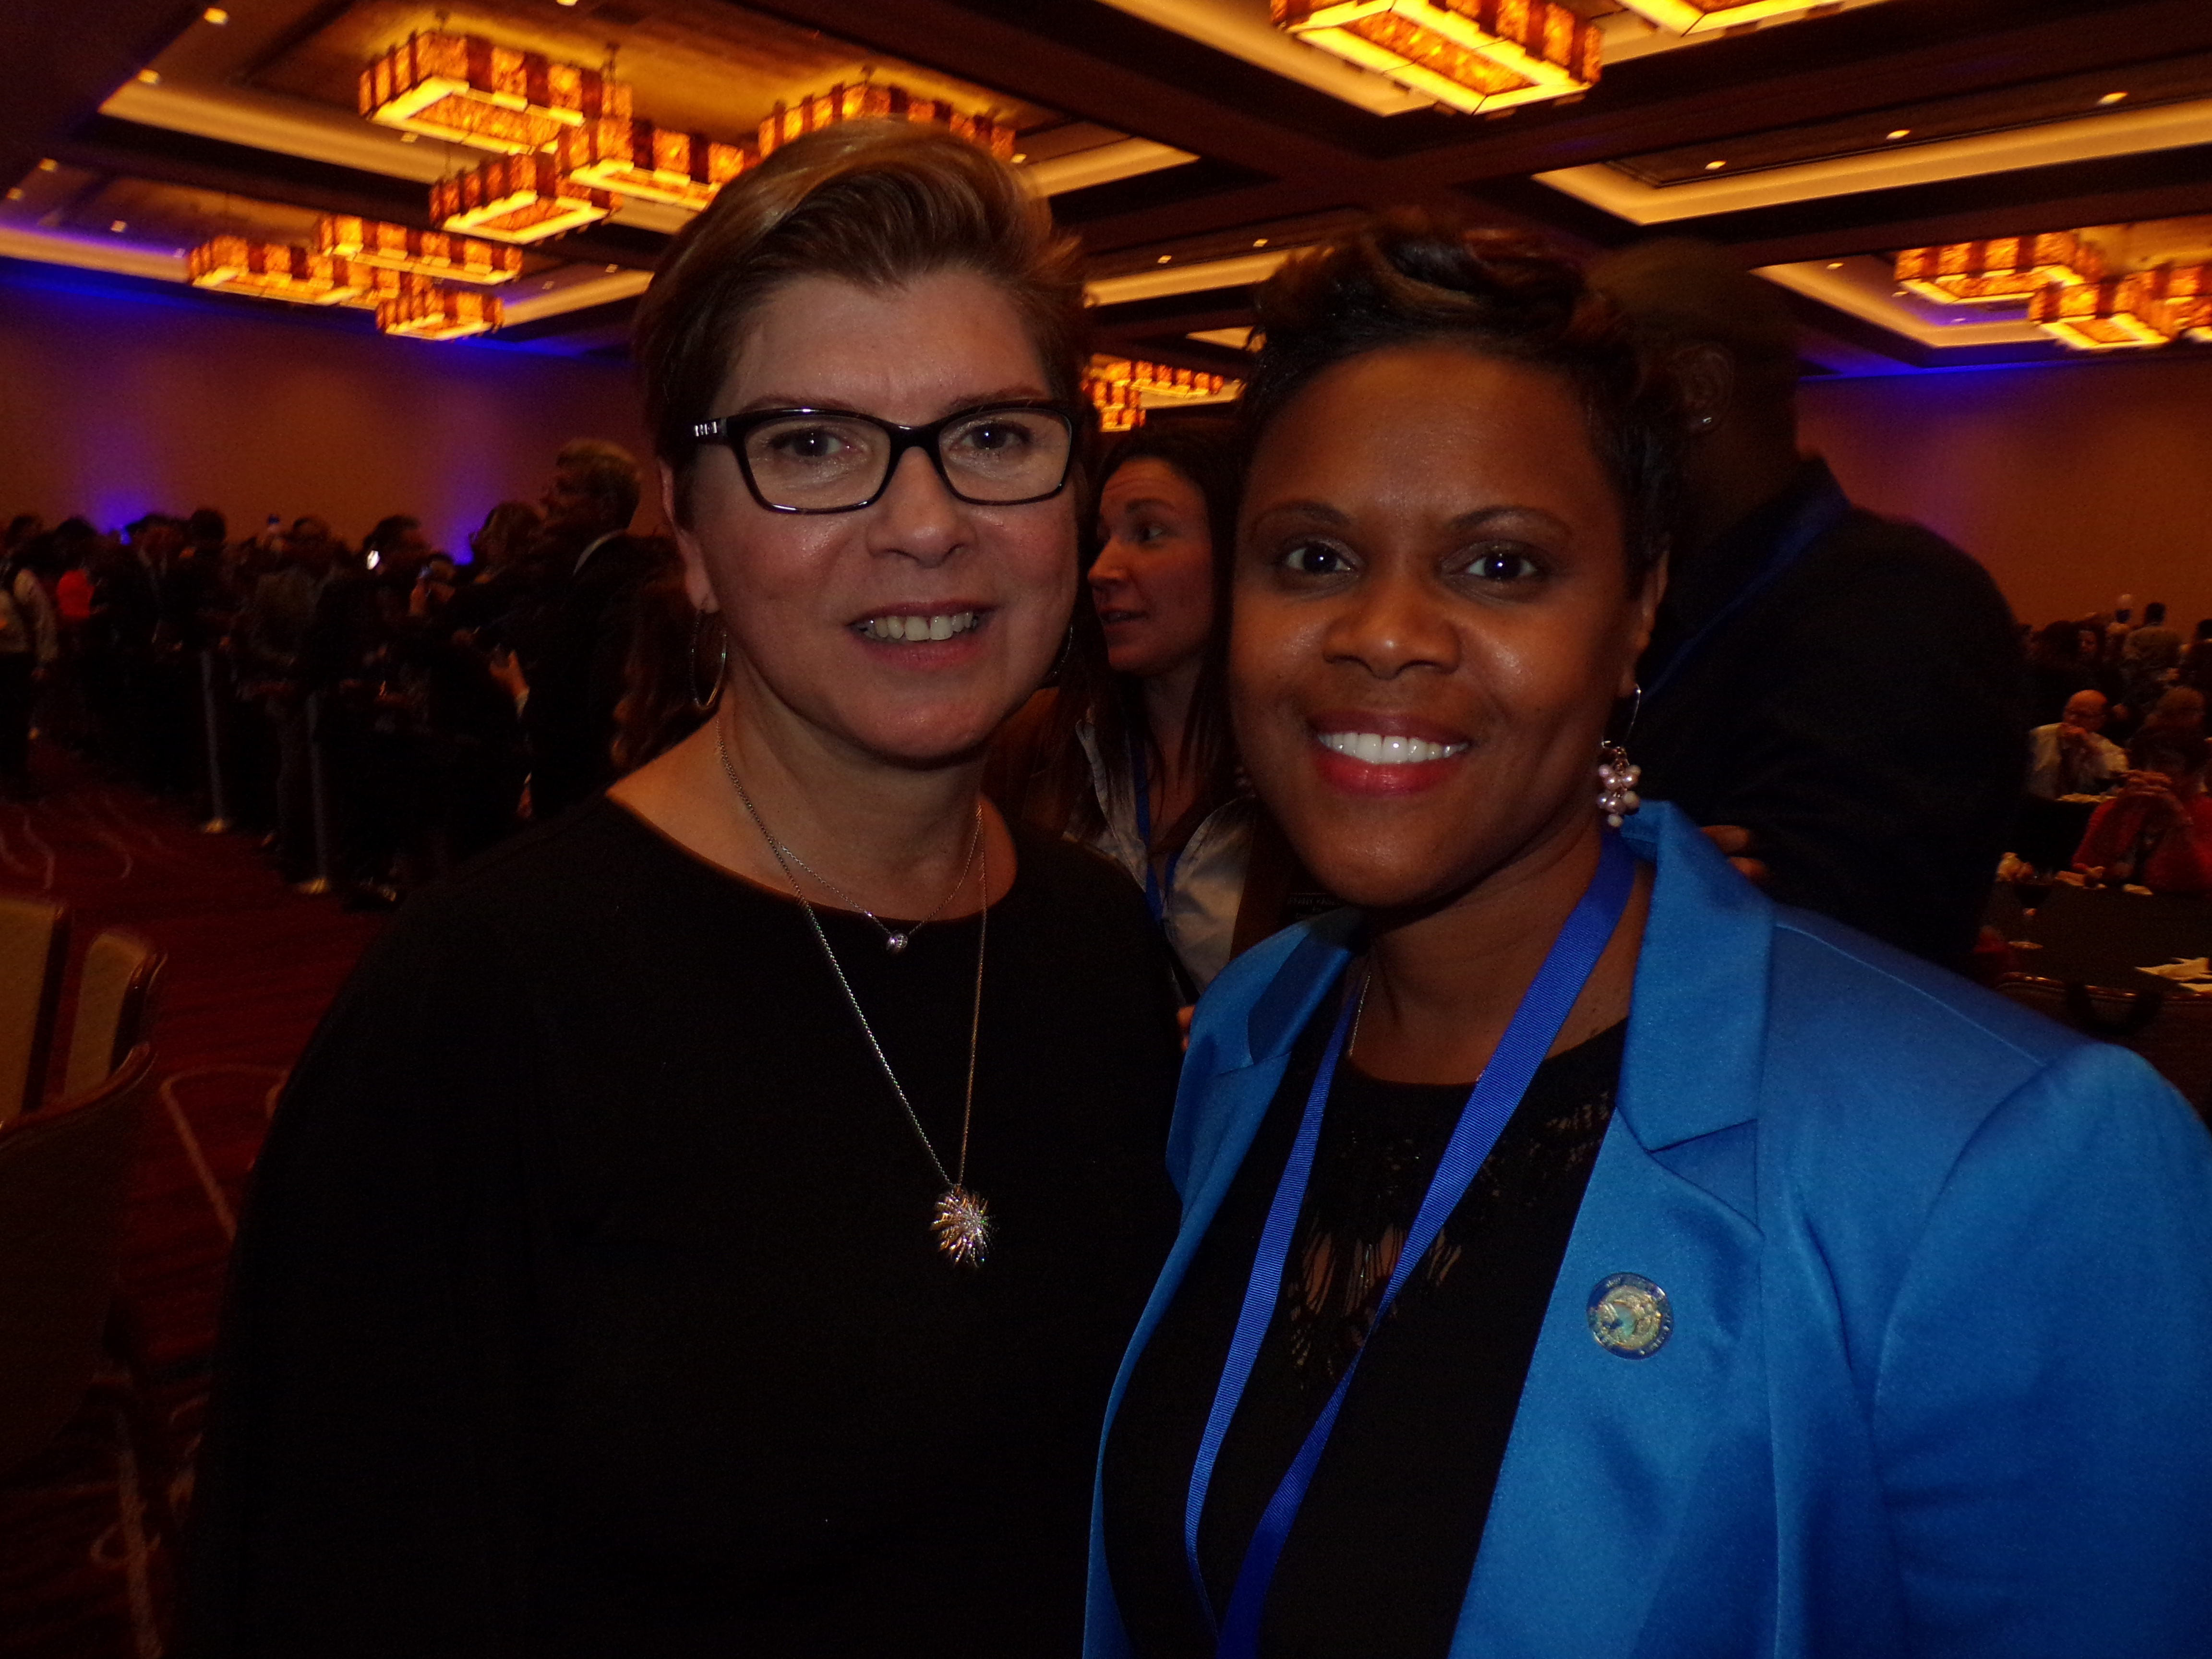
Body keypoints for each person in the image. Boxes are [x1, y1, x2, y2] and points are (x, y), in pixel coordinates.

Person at [1089, 216, 2212, 1659]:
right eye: (1310, 555)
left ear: (1637, 617)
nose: (1381, 632)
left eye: (1500, 567)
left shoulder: (2009, 1161)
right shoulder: (1251, 1035)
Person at [183, 120, 1181, 1657]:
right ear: (694, 537)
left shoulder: (1097, 942)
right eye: (811, 447)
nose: (925, 524)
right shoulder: (489, 1001)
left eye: (991, 436)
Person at [1586, 239, 2023, 968]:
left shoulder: (1893, 604)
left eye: (1591, 390)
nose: (1566, 433)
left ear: (1695, 388)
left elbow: (1820, 946)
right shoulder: (1655, 591)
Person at [993, 422, 1308, 992]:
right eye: (1103, 538)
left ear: (1243, 551)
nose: (1103, 571)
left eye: (1150, 533)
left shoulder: (1306, 762)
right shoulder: (1038, 740)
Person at [518, 439, 670, 818]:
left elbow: (603, 706)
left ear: (605, 507)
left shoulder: (613, 581)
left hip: (583, 798)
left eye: (565, 490)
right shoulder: (590, 575)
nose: (547, 500)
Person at [2071, 730, 2212, 895]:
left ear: (2196, 772)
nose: (2148, 771)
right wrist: (2117, 814)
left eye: (2164, 763)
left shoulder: (2206, 814)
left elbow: (2199, 883)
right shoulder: (2115, 809)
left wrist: (2178, 818)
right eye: (2140, 763)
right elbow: (2084, 864)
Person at [2025, 687, 2124, 800]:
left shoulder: (2110, 750)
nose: (2072, 719)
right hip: (2033, 806)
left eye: (2082, 715)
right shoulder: (2039, 736)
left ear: (2100, 720)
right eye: (2069, 712)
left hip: (2080, 812)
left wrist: (2091, 749)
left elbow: (2110, 787)